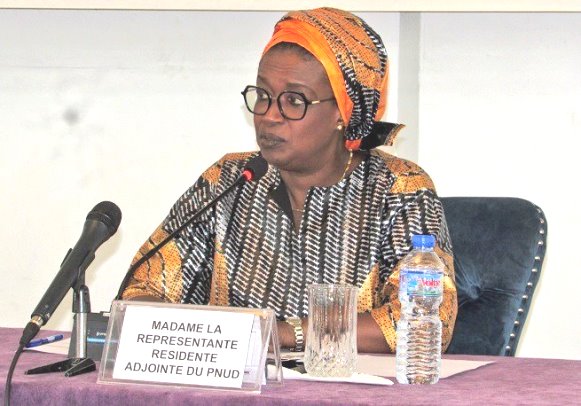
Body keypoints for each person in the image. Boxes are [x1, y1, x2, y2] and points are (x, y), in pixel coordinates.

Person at [121, 7, 457, 354]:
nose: (269, 116)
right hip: (244, 382)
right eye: (263, 96)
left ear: (342, 112)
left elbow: (425, 319)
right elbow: (142, 291)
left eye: (294, 101)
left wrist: (283, 334)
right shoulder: (228, 180)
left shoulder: (398, 188)